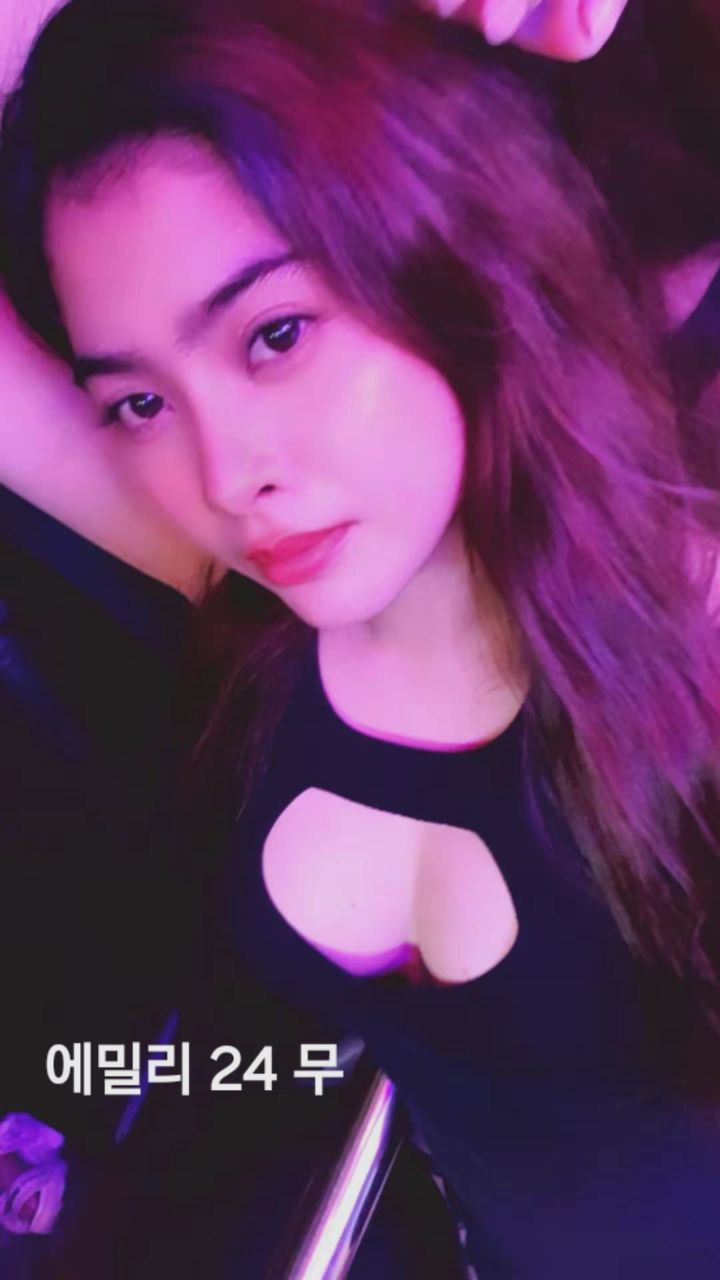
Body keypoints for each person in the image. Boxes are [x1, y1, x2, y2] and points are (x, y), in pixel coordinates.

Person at [4, 0, 720, 1275]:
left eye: (275, 336)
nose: (223, 475)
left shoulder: (694, 634)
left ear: (451, 245)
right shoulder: (246, 603)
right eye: (139, 401)